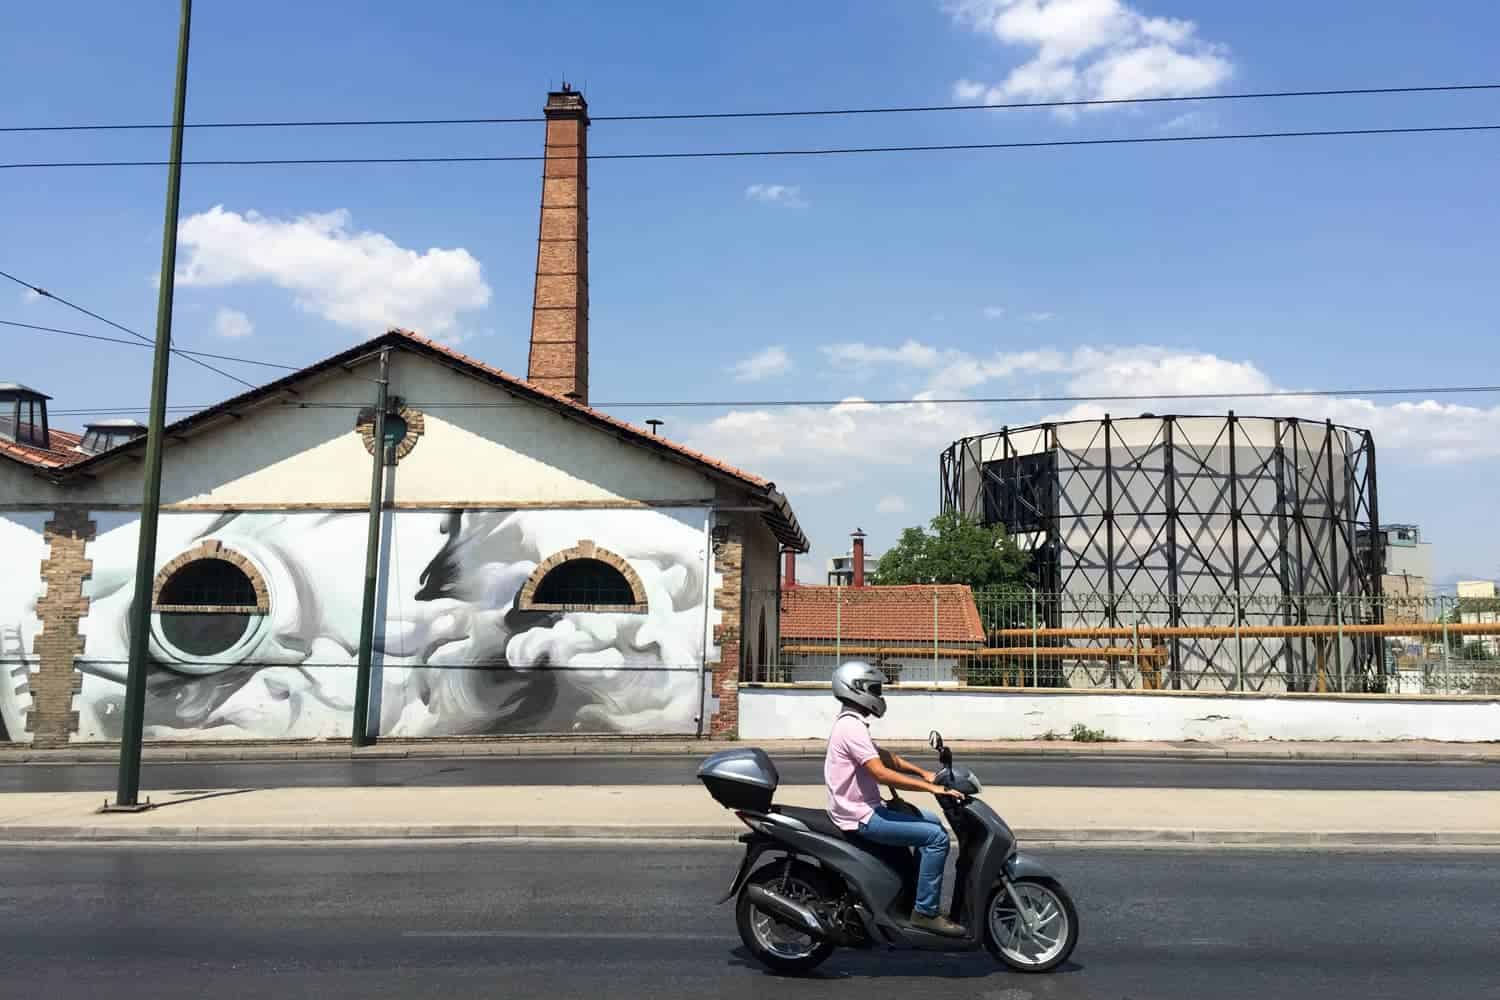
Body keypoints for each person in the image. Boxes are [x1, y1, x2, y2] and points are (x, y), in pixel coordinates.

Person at [824, 660, 967, 937]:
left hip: (864, 809)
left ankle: (912, 890)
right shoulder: (851, 727)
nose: (879, 696)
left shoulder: (852, 722)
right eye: (875, 689)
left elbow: (886, 758)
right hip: (861, 817)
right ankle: (924, 913)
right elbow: (881, 773)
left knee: (932, 821)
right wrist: (932, 789)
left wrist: (924, 773)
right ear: (857, 689)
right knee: (936, 838)